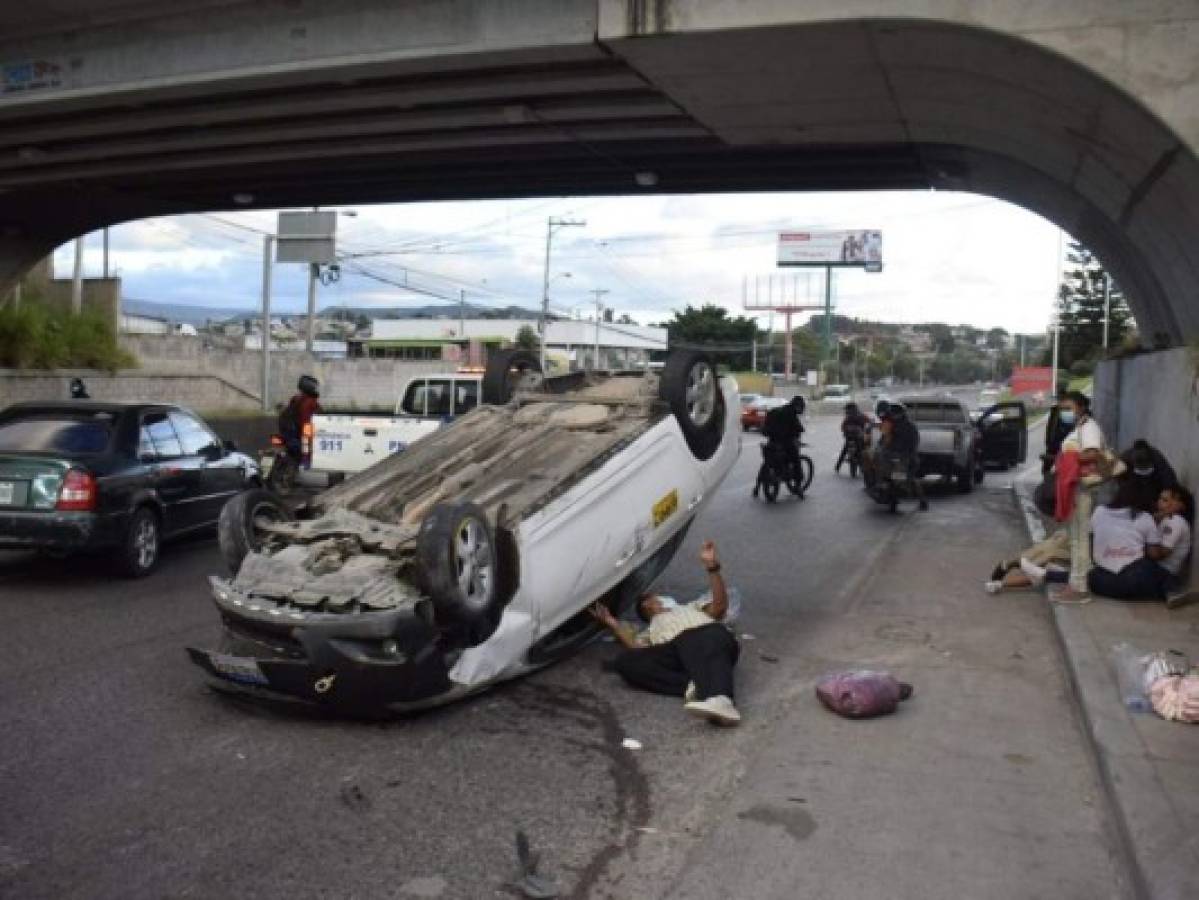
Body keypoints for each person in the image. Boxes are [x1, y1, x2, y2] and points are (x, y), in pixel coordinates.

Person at [591, 540, 741, 725]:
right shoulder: (651, 630)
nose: (657, 600)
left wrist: (712, 567)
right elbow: (637, 648)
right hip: (676, 653)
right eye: (651, 600)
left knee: (700, 637)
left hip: (709, 638)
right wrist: (612, 623)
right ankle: (698, 685)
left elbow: (719, 607)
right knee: (626, 662)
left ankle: (722, 699)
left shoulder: (690, 608)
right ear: (646, 608)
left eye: (656, 597)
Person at [1055, 391, 1105, 601]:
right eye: (1062, 409)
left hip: (1081, 489)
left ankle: (1078, 587)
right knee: (1077, 537)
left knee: (1079, 538)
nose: (1065, 413)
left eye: (1069, 408)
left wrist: (1068, 460)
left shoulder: (1089, 427)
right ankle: (1079, 581)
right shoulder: (1079, 427)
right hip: (1074, 488)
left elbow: (1093, 453)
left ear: (1081, 407)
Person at [1086, 480, 1170, 601]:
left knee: (1093, 574)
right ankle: (1167, 593)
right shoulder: (1145, 517)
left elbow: (1091, 543)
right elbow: (1154, 554)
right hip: (1133, 580)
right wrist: (1167, 548)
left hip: (1100, 583)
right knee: (1158, 571)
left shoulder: (1099, 512)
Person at [874, 403, 928, 511]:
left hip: (907, 457)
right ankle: (881, 489)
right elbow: (884, 439)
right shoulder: (891, 425)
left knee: (912, 478)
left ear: (902, 414)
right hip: (894, 456)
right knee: (884, 472)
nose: (894, 415)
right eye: (893, 413)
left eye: (896, 413)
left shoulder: (909, 426)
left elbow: (914, 443)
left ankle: (923, 501)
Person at [1154, 485, 1194, 608]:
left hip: (1165, 573)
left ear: (1180, 505)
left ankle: (1172, 591)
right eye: (1160, 499)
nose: (1159, 502)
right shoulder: (1166, 519)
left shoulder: (1175, 521)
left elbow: (1163, 552)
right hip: (1162, 571)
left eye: (1165, 500)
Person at [1119, 439, 1179, 515]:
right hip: (1134, 486)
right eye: (1140, 464)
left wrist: (1165, 505)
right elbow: (1120, 483)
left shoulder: (1157, 458)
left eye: (1144, 464)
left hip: (1154, 485)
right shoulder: (1124, 459)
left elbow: (1170, 482)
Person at [760, 395, 806, 488]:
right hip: (784, 442)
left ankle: (757, 487)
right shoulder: (791, 413)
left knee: (766, 461)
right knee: (796, 460)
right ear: (797, 406)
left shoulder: (776, 410)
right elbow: (799, 428)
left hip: (772, 440)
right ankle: (798, 486)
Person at [278, 374, 322, 459]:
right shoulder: (310, 402)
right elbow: (307, 422)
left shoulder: (295, 399)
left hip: (288, 435)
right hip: (301, 436)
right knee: (307, 456)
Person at [835, 401, 870, 474]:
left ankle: (837, 466)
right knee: (861, 451)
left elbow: (842, 427)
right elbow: (842, 427)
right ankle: (863, 468)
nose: (846, 411)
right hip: (855, 439)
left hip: (852, 438)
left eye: (847, 409)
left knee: (845, 451)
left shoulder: (858, 417)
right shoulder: (861, 416)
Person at [1042, 388, 1071, 475]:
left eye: (1061, 399)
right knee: (1046, 466)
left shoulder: (1068, 411)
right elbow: (1050, 426)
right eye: (1059, 399)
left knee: (1062, 466)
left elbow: (1067, 428)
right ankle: (1046, 482)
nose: (1059, 401)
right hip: (1052, 443)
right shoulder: (1054, 410)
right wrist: (1047, 440)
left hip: (1062, 443)